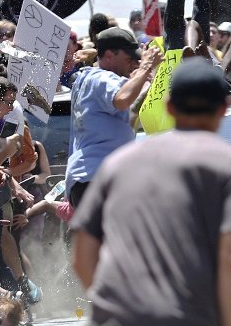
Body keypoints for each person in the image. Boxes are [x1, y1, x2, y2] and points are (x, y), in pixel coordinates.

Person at [71, 57, 231, 326]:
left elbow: (82, 255)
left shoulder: (119, 162)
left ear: (170, 107)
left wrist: (117, 309)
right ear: (224, 110)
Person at [65, 27, 163, 210]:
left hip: (90, 178)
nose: (131, 64)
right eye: (128, 59)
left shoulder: (87, 79)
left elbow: (129, 113)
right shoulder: (102, 78)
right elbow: (122, 99)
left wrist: (145, 81)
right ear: (109, 56)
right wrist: (145, 67)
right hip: (97, 178)